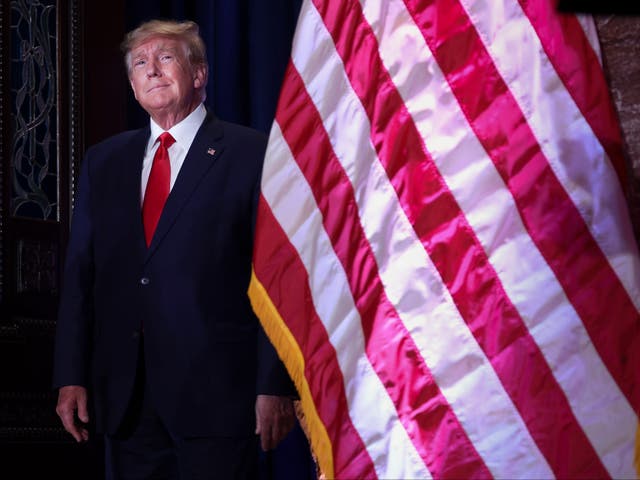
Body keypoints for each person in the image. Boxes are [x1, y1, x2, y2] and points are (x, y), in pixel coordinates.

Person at [53, 19, 297, 479]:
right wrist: (71, 374)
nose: (153, 70)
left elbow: (278, 273)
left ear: (199, 74)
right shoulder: (104, 162)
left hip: (219, 398)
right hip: (126, 399)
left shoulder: (253, 153)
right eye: (140, 63)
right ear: (130, 83)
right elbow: (81, 275)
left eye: (166, 57)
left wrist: (274, 384)